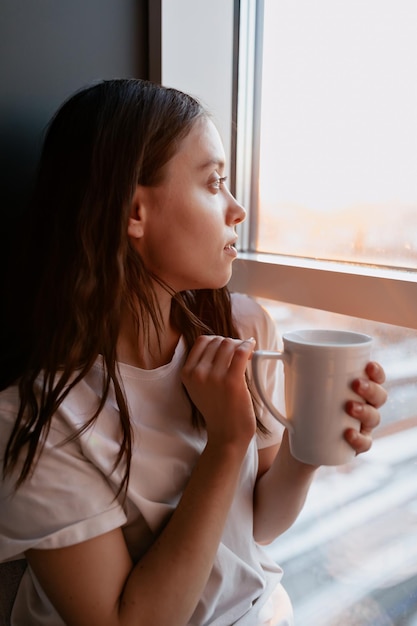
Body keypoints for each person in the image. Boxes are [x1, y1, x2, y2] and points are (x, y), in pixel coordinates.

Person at [0, 79, 387, 626]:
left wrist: (311, 440)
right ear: (134, 211)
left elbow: (256, 530)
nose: (238, 210)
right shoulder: (39, 421)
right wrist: (228, 443)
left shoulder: (244, 328)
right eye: (214, 183)